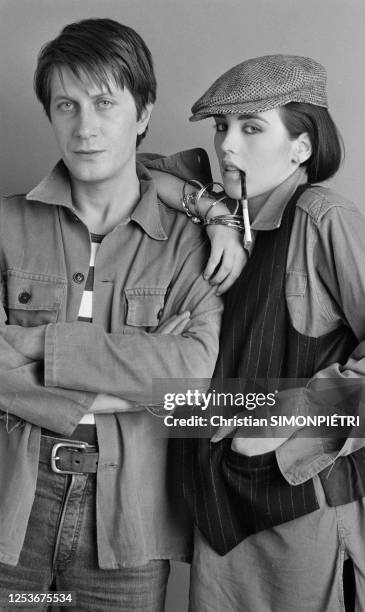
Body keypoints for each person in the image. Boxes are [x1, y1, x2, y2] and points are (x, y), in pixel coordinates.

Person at [151, 54, 365, 611]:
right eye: (222, 128)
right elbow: (133, 166)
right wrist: (211, 210)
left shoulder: (323, 218)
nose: (227, 146)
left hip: (304, 512)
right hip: (221, 511)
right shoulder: (228, 222)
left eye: (251, 128)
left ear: (302, 147)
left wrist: (284, 421)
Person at [0, 17, 231, 612]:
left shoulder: (190, 246)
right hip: (10, 513)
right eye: (66, 106)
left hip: (128, 522)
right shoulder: (5, 227)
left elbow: (192, 378)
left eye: (105, 102)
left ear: (144, 113)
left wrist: (38, 345)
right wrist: (133, 390)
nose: (86, 127)